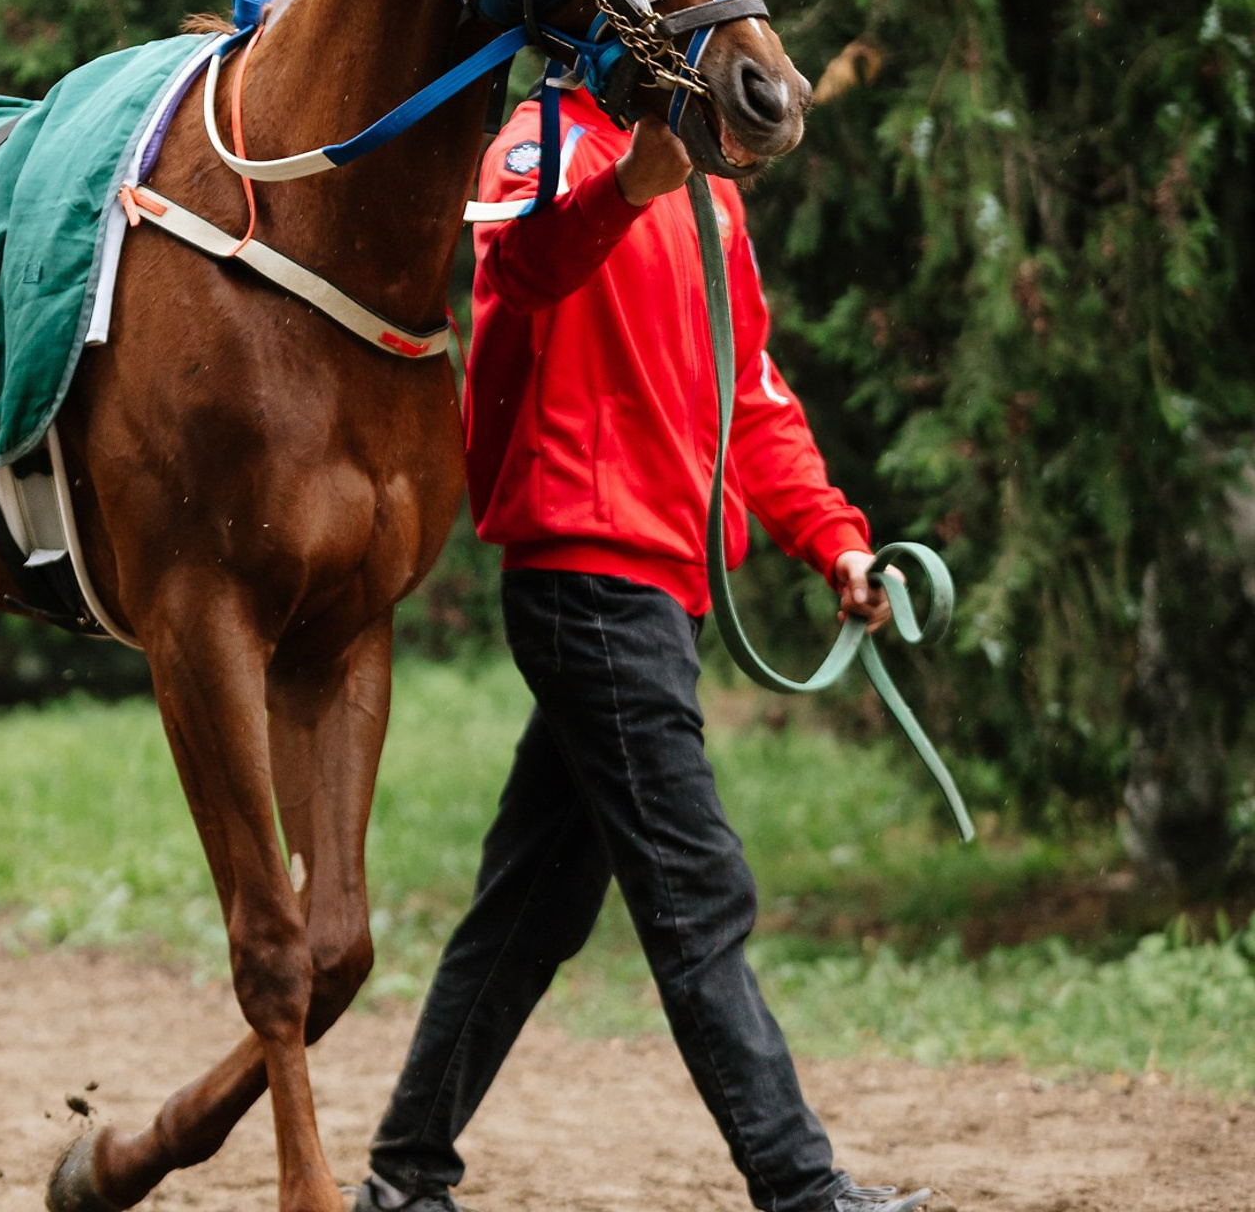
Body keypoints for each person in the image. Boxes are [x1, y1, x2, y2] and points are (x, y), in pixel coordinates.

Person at [353, 90, 931, 1212]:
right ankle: (801, 1188)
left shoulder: (707, 184)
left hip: (663, 590)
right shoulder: (542, 141)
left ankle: (404, 1172)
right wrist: (624, 189)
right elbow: (517, 271)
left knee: (533, 906)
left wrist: (837, 546)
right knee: (696, 889)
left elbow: (750, 395)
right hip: (584, 575)